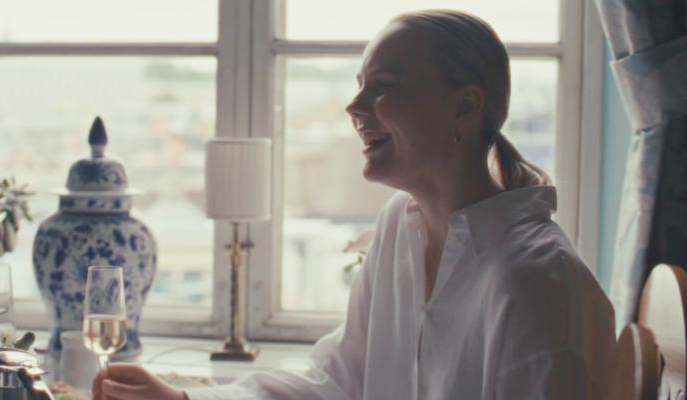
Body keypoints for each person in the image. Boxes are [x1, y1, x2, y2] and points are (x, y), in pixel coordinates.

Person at [92, 10, 615, 400]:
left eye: (382, 87)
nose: (353, 107)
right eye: (360, 86)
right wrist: (184, 399)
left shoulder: (537, 284)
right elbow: (336, 383)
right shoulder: (398, 229)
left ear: (464, 107)